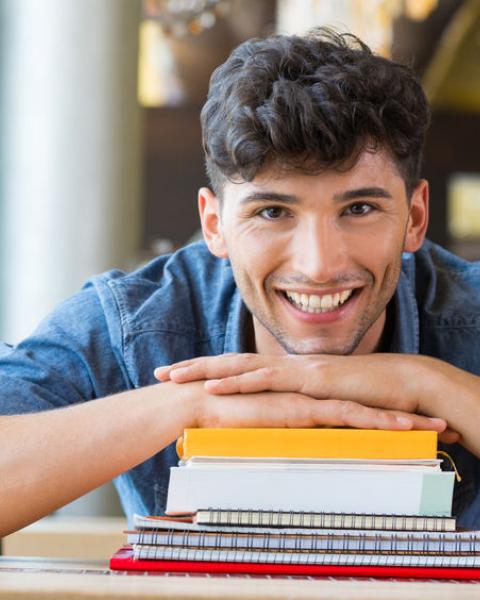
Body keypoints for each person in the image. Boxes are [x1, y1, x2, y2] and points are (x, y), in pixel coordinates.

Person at [1, 28, 480, 537]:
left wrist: (432, 384)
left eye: (359, 208)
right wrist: (191, 404)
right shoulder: (137, 323)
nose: (318, 265)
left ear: (415, 217)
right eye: (272, 212)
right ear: (214, 225)